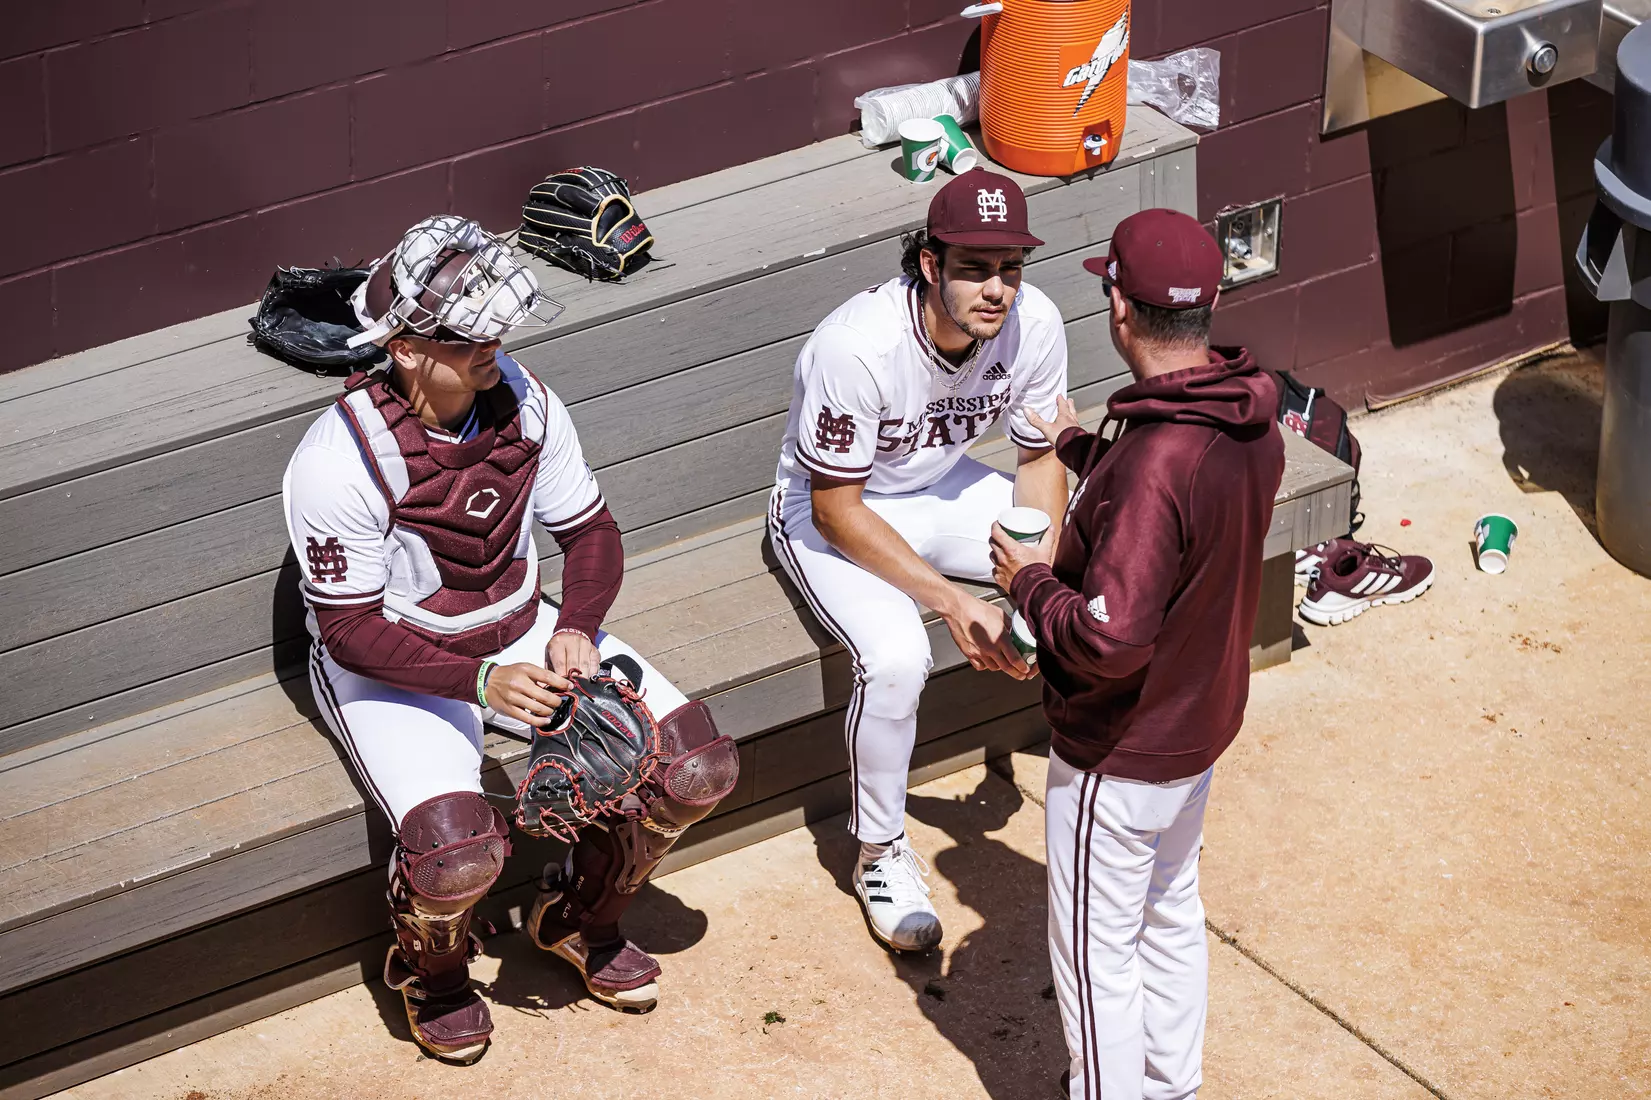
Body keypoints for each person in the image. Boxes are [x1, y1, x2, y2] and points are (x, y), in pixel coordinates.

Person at [281, 216, 738, 1063]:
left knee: (695, 768)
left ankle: (577, 918)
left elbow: (592, 532)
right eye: (466, 336)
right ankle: (434, 974)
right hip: (396, 664)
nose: (491, 343)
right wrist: (483, 684)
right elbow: (347, 631)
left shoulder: (524, 398)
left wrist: (575, 626)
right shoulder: (337, 458)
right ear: (408, 349)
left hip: (521, 625)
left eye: (495, 326)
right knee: (457, 853)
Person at [988, 209, 1286, 1100]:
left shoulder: (1158, 460)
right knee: (1167, 915)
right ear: (1208, 307)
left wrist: (1028, 582)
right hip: (1195, 732)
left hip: (1119, 754)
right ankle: (1171, 1090)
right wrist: (1078, 445)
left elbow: (1111, 641)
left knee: (1095, 961)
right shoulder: (1244, 416)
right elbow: (1170, 494)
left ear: (1118, 306)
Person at [769, 168, 1070, 951]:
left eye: (1009, 267)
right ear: (929, 264)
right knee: (898, 656)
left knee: (1083, 569)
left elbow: (1040, 461)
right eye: (973, 267)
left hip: (940, 486)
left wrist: (1033, 580)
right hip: (831, 512)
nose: (996, 288)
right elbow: (837, 507)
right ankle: (879, 851)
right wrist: (954, 602)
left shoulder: (1033, 322)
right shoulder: (855, 347)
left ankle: (1093, 773)